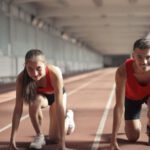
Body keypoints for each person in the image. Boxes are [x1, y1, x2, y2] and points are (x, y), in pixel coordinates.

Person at [9, 49, 75, 150]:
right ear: (25, 66)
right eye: (30, 69)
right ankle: (39, 135)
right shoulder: (21, 78)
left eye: (38, 68)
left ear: (45, 65)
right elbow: (18, 109)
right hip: (41, 97)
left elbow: (59, 107)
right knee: (34, 102)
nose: (35, 73)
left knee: (55, 138)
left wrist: (62, 144)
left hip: (56, 97)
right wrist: (12, 141)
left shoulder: (54, 74)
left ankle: (69, 117)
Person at [110, 38, 150, 150]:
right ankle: (132, 125)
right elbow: (119, 106)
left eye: (148, 57)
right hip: (132, 98)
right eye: (140, 57)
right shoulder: (122, 72)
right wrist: (113, 138)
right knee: (132, 137)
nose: (145, 62)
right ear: (133, 56)